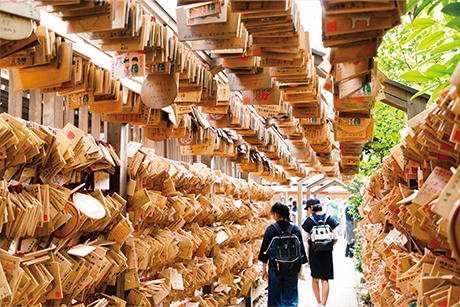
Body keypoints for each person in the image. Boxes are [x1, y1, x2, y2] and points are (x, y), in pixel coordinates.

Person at [258, 202, 308, 307]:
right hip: (292, 267)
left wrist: (264, 269)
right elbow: (301, 251)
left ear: (276, 214)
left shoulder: (271, 229)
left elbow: (264, 251)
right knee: (290, 296)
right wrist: (300, 269)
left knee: (274, 296)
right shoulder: (295, 229)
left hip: (275, 268)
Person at [302, 198, 339, 307]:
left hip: (315, 252)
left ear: (311, 208)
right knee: (325, 279)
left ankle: (318, 303)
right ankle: (324, 303)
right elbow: (336, 237)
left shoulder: (309, 221)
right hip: (327, 252)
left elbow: (305, 238)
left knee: (315, 278)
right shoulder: (330, 219)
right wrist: (330, 246)